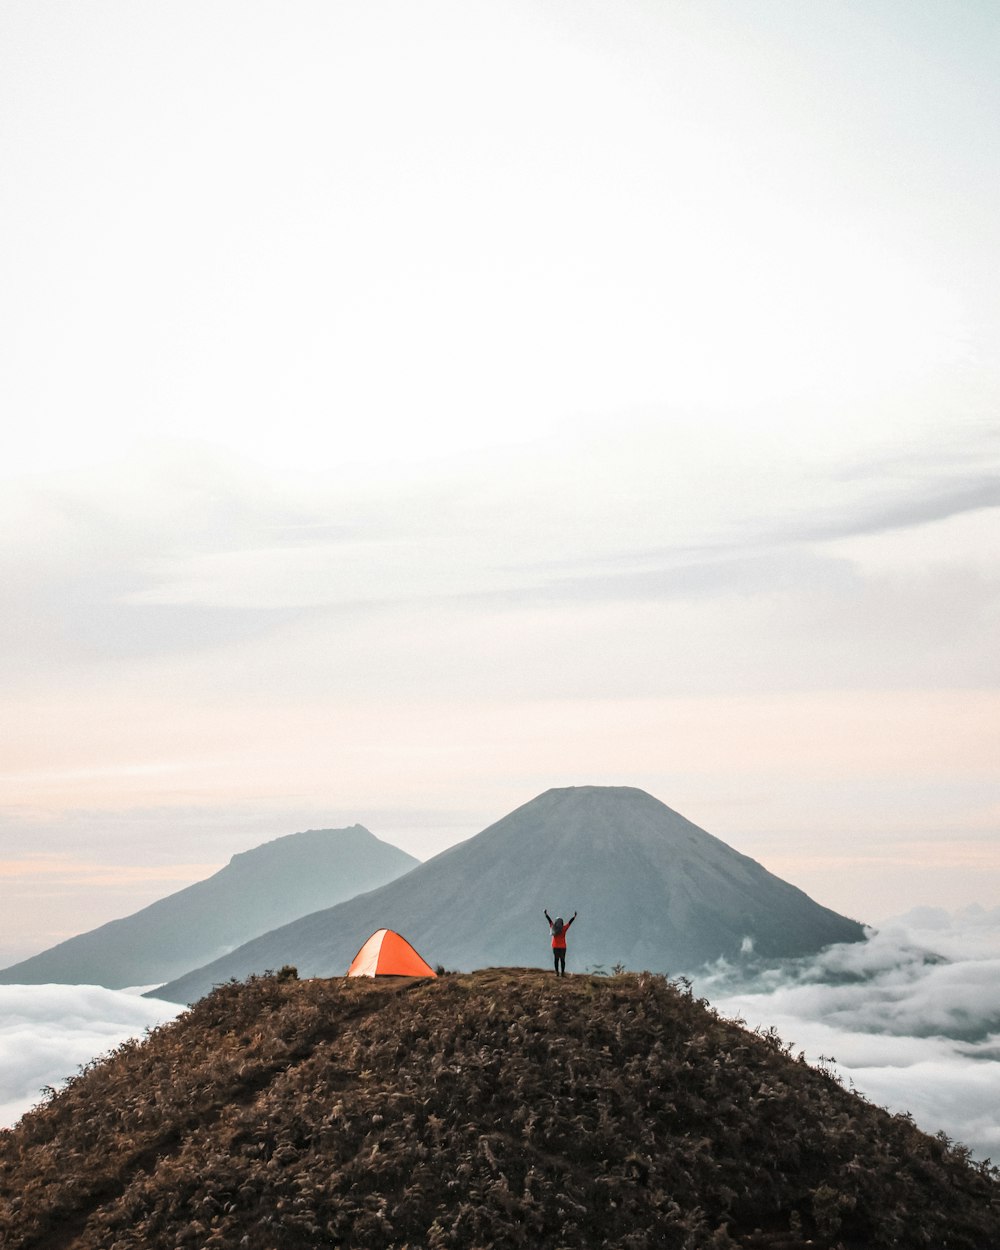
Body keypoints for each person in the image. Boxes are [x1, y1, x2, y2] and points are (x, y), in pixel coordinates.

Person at [544, 908, 577, 976]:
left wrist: (546, 914)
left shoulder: (553, 927)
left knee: (556, 960)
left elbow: (549, 920)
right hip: (563, 947)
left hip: (555, 946)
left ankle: (557, 972)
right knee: (562, 960)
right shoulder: (564, 928)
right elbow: (570, 922)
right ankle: (562, 973)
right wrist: (574, 916)